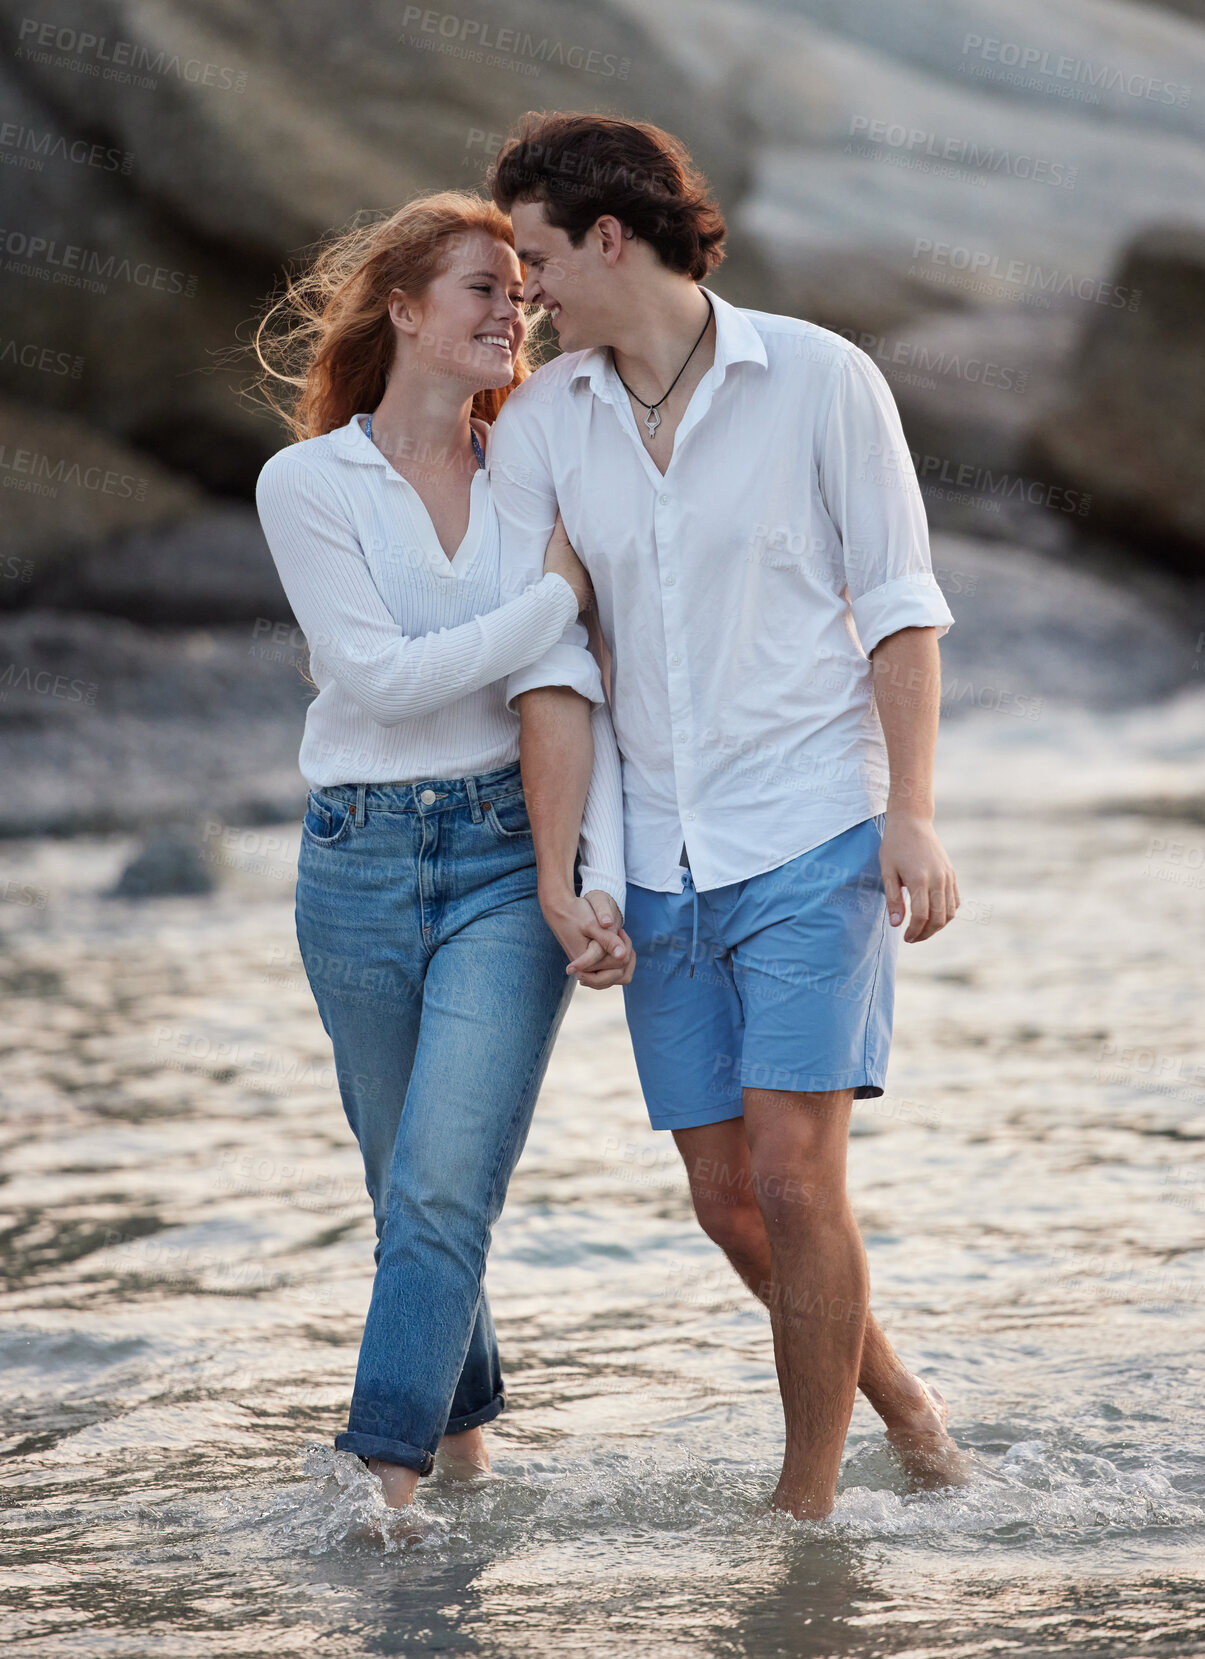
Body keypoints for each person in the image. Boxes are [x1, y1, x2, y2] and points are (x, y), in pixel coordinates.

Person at [485, 114, 970, 1519]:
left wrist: (914, 816)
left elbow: (897, 607)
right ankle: (905, 1410)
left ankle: (803, 1508)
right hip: (657, 857)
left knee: (796, 1174)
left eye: (534, 257)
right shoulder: (542, 422)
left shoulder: (819, 378)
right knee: (725, 1202)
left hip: (812, 827)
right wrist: (561, 870)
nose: (525, 292)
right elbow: (552, 664)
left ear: (607, 238)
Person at [253, 191, 633, 1510]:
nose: (510, 308)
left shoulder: (529, 462)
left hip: (496, 857)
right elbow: (378, 679)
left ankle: (384, 1481)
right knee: (404, 1185)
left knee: (438, 1187)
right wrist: (551, 596)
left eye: (518, 289)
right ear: (403, 309)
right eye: (482, 286)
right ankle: (466, 1448)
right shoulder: (308, 483)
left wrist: (581, 870)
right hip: (352, 864)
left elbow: (569, 683)